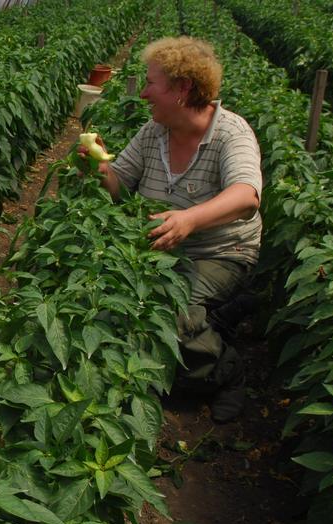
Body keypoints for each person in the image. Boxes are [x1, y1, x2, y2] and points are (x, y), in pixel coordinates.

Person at [79, 36, 262, 423]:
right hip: (163, 252)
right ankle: (217, 318)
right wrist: (100, 168)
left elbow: (247, 195)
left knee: (160, 323)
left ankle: (228, 372)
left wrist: (191, 218)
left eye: (151, 84)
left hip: (219, 253)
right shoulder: (154, 132)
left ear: (182, 89)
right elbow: (120, 184)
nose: (143, 93)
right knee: (114, 308)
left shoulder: (231, 133)